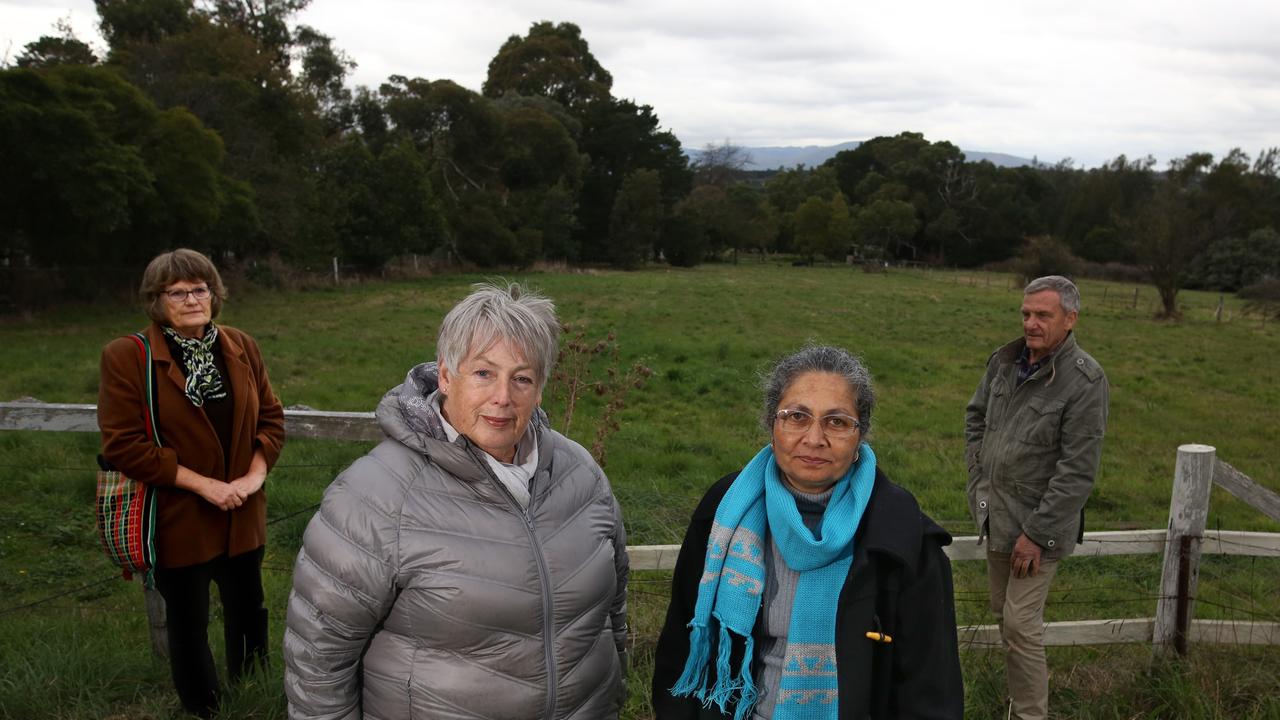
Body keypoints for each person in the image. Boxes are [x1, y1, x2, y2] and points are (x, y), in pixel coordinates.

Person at [283, 282, 629, 720]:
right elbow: (318, 658)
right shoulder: (375, 497)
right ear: (446, 377)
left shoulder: (580, 472)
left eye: (521, 378)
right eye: (483, 373)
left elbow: (613, 608)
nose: (503, 397)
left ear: (540, 388)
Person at [653, 345, 962, 720]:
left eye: (836, 421)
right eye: (797, 416)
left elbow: (929, 687)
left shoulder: (900, 535)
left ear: (860, 434)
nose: (814, 439)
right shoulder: (725, 511)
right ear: (772, 424)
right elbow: (679, 645)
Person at [98, 248, 285, 718]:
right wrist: (205, 486)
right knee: (188, 623)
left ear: (214, 293)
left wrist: (253, 477)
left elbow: (271, 420)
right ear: (156, 301)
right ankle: (204, 709)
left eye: (198, 288)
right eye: (175, 292)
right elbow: (123, 445)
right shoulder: (127, 356)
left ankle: (251, 693)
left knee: (248, 609)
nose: (189, 299)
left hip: (243, 509)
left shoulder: (240, 345)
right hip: (178, 517)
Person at [965, 275, 1109, 720]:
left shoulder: (1085, 380)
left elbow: (1077, 471)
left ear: (1070, 319)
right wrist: (978, 477)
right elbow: (976, 417)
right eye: (1026, 313)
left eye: (1043, 315)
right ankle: (1020, 701)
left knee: (1020, 626)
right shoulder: (1004, 362)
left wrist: (1038, 534)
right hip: (996, 516)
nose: (1030, 323)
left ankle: (1030, 715)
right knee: (1005, 616)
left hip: (1037, 529)